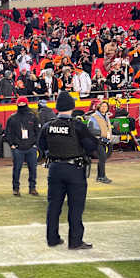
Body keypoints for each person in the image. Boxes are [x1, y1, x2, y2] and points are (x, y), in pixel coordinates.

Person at [38, 91, 98, 250]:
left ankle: (52, 238)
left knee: (53, 206)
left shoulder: (48, 126)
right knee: (76, 207)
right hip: (74, 170)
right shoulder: (77, 125)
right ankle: (75, 241)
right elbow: (92, 146)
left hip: (55, 169)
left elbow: (41, 146)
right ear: (72, 107)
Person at [5, 97, 41, 196]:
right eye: (19, 103)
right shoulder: (12, 118)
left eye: (23, 103)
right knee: (17, 169)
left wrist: (35, 145)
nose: (21, 105)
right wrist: (12, 144)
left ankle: (32, 188)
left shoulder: (33, 117)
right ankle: (16, 188)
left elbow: (38, 132)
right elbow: (8, 133)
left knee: (33, 169)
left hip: (31, 148)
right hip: (18, 148)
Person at [87, 101, 113, 184]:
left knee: (103, 158)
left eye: (105, 106)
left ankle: (100, 177)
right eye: (102, 106)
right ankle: (101, 177)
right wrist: (103, 134)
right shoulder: (94, 116)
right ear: (98, 107)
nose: (104, 108)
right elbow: (91, 129)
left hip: (104, 140)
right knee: (102, 157)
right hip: (96, 140)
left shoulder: (106, 116)